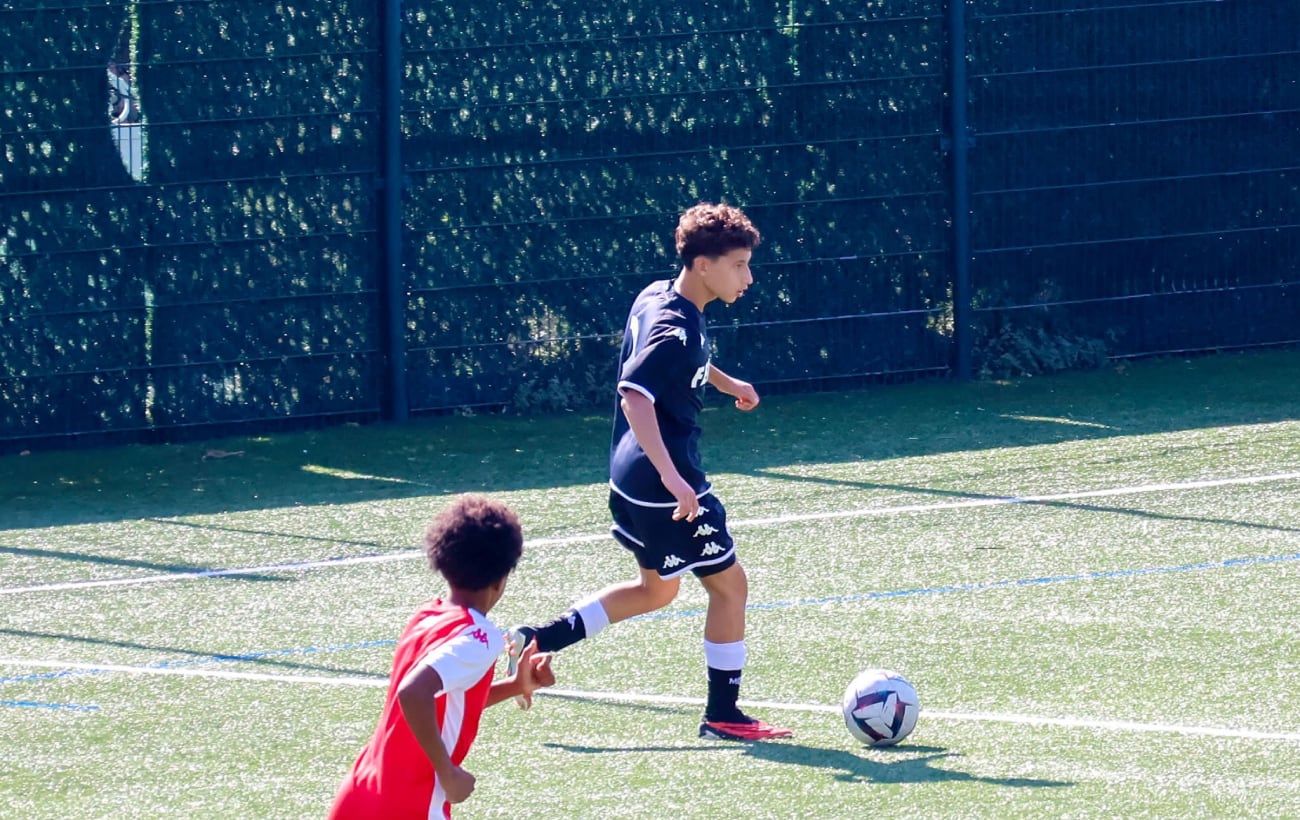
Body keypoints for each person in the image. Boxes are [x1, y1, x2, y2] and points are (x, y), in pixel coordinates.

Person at [507, 202, 792, 742]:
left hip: (629, 478)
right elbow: (635, 396)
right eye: (738, 265)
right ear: (704, 265)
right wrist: (675, 479)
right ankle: (723, 715)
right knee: (730, 589)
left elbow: (686, 364)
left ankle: (538, 638)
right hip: (665, 482)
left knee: (657, 590)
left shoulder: (660, 295)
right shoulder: (672, 325)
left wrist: (731, 386)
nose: (748, 277)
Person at [330, 495, 556, 819]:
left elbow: (440, 701)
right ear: (501, 577)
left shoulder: (426, 617)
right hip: (410, 803)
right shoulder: (479, 637)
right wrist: (447, 772)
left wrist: (515, 685)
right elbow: (413, 692)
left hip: (361, 792)